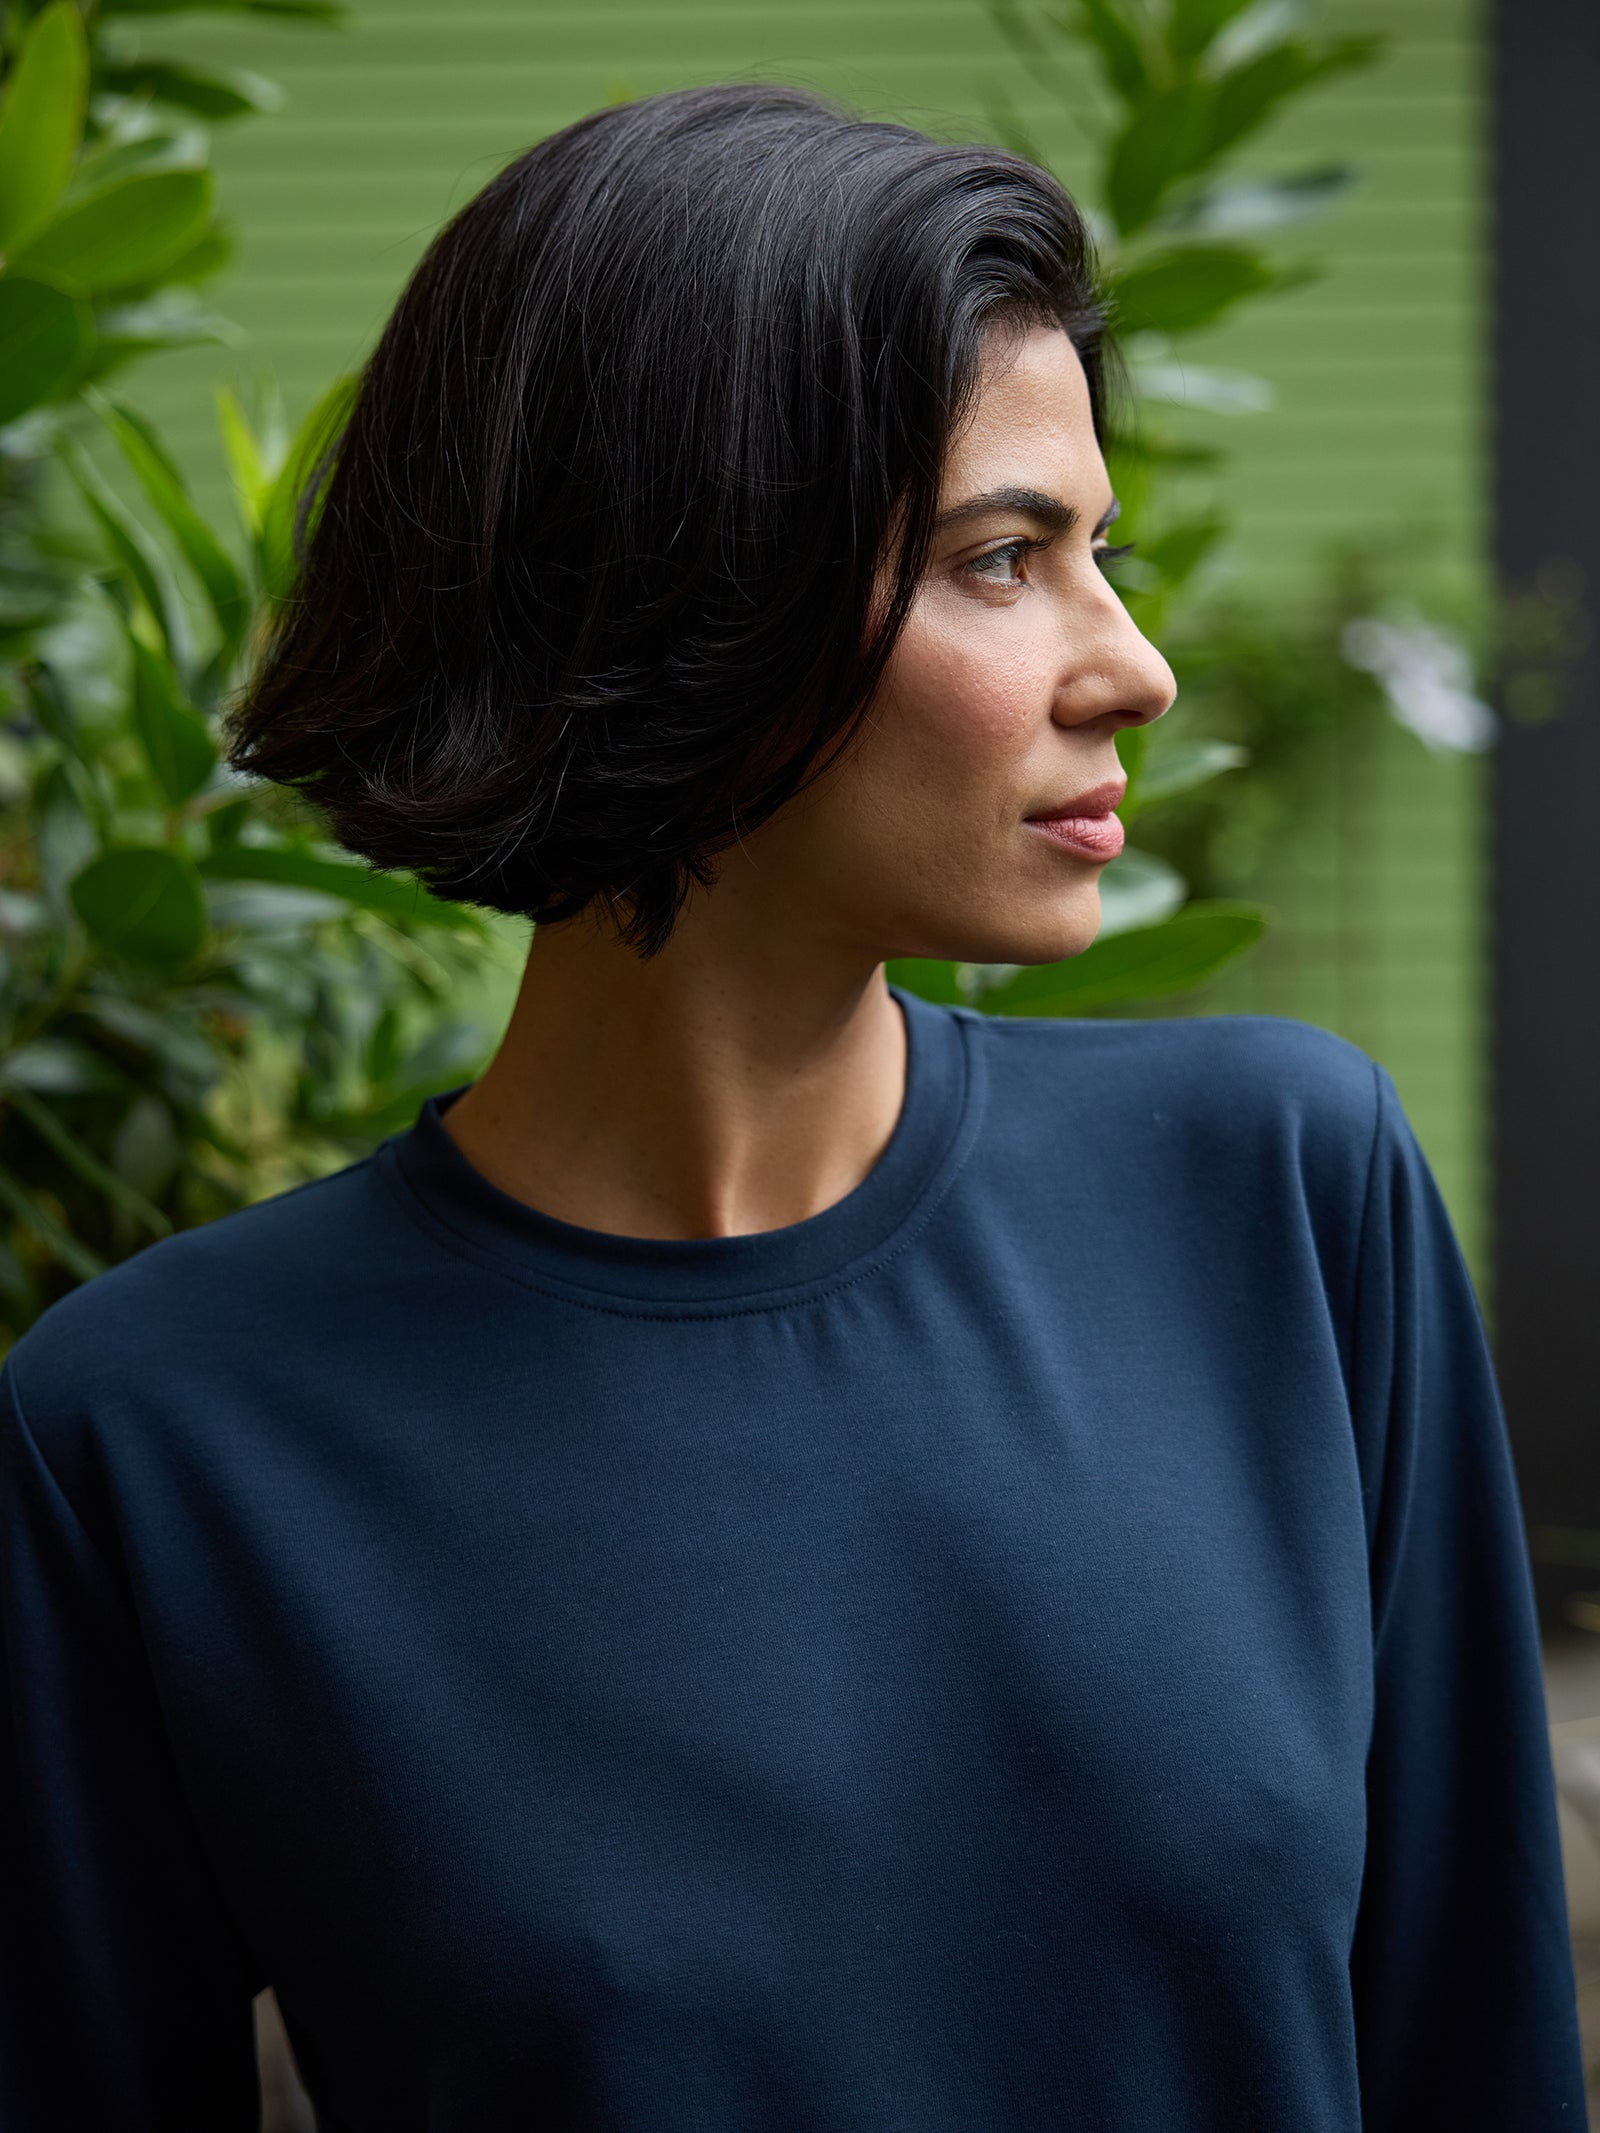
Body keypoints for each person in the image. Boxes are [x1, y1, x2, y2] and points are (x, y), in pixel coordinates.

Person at [0, 82, 1585, 2133]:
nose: (1136, 666)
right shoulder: (156, 1434)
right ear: (686, 595)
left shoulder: (1279, 1197)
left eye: (1098, 549)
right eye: (1002, 558)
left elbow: (1477, 2051)